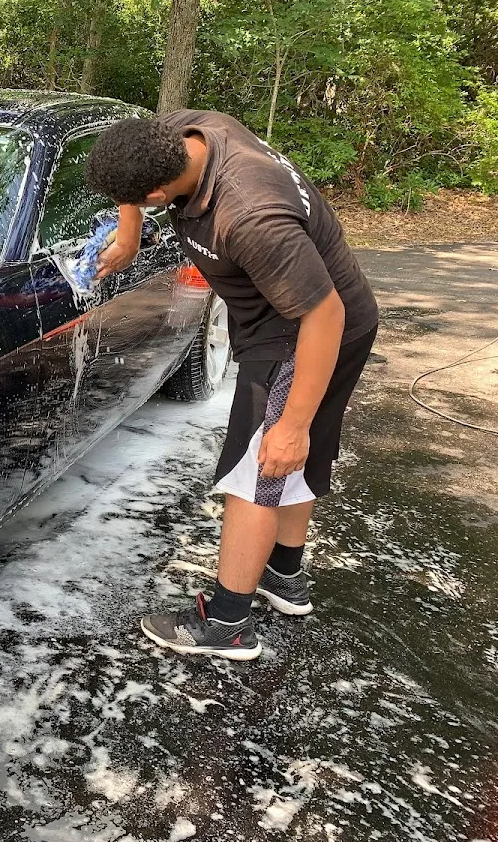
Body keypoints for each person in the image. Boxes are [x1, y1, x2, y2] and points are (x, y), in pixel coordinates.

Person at [84, 110, 379, 661]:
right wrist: (129, 235)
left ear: (156, 192)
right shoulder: (189, 131)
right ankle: (283, 575)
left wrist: (293, 424)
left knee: (262, 466)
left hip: (306, 334)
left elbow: (325, 315)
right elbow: (136, 177)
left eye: (137, 202)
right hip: (307, 319)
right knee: (281, 461)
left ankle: (226, 622)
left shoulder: (250, 215)